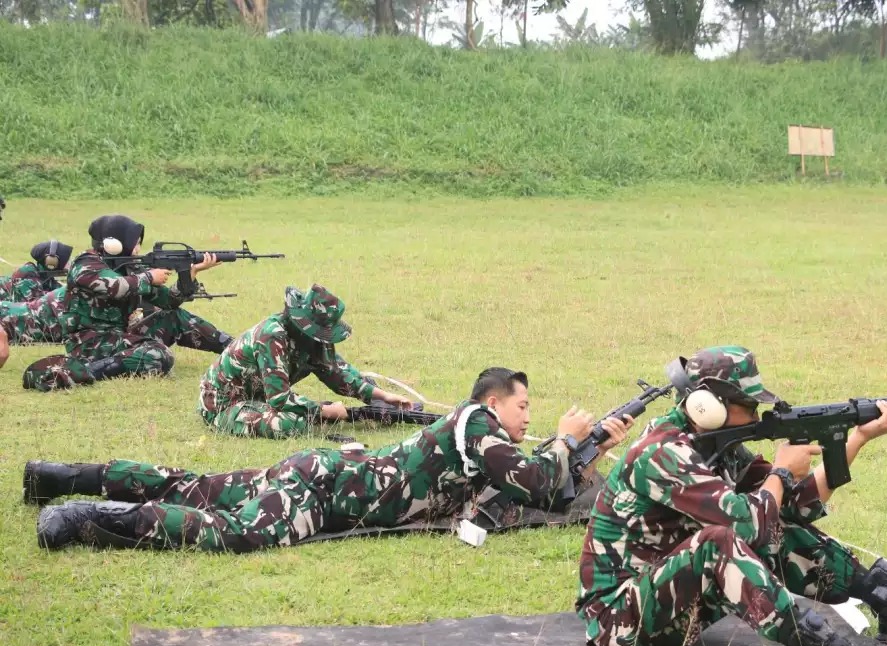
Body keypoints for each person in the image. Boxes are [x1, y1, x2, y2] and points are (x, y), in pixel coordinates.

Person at [575, 345, 887, 646]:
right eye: (750, 405)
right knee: (718, 542)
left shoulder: (716, 446)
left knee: (779, 526)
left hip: (672, 606)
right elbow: (747, 527)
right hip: (621, 620)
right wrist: (779, 470)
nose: (757, 415)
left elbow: (793, 506)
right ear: (707, 403)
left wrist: (858, 438)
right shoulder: (662, 453)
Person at [29, 367, 635, 553]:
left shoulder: (474, 433)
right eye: (523, 406)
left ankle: (59, 476)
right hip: (322, 496)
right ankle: (85, 516)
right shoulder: (477, 425)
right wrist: (563, 439)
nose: (529, 416)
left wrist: (591, 449)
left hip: (322, 473)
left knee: (195, 487)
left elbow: (537, 493)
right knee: (236, 533)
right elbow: (532, 477)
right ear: (493, 401)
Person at [20, 214, 232, 391]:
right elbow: (114, 286)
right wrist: (149, 277)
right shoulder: (85, 265)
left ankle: (236, 350)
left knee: (173, 317)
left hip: (119, 336)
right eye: (135, 242)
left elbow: (169, 302)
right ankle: (92, 370)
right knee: (158, 356)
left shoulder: (130, 268)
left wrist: (190, 275)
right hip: (90, 344)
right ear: (114, 244)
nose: (138, 248)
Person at [196, 283, 416, 439]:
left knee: (307, 414)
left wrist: (382, 396)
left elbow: (337, 373)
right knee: (292, 424)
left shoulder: (308, 340)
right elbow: (280, 399)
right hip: (224, 406)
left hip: (259, 400)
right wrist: (324, 411)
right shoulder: (272, 336)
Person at [0, 239, 73, 302]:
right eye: (66, 261)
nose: (69, 264)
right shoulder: (27, 277)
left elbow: (62, 291)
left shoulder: (45, 276)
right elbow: (37, 306)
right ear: (51, 261)